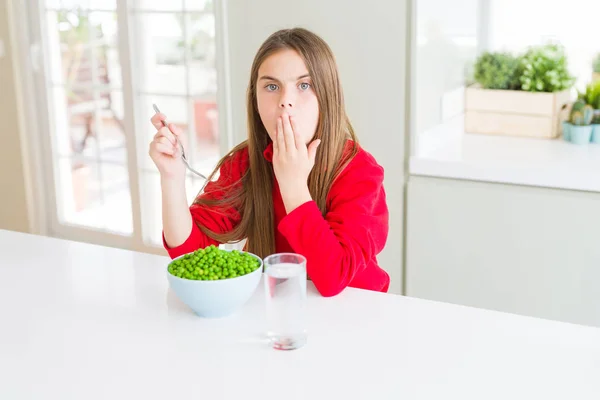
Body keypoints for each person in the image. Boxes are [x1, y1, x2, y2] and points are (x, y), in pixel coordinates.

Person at [149, 28, 389, 297]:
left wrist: (293, 184)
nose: (285, 101)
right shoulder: (245, 163)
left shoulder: (359, 172)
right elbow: (189, 253)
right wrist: (171, 178)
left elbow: (333, 279)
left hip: (353, 315)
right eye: (272, 87)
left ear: (328, 96)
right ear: (256, 99)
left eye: (304, 85)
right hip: (277, 312)